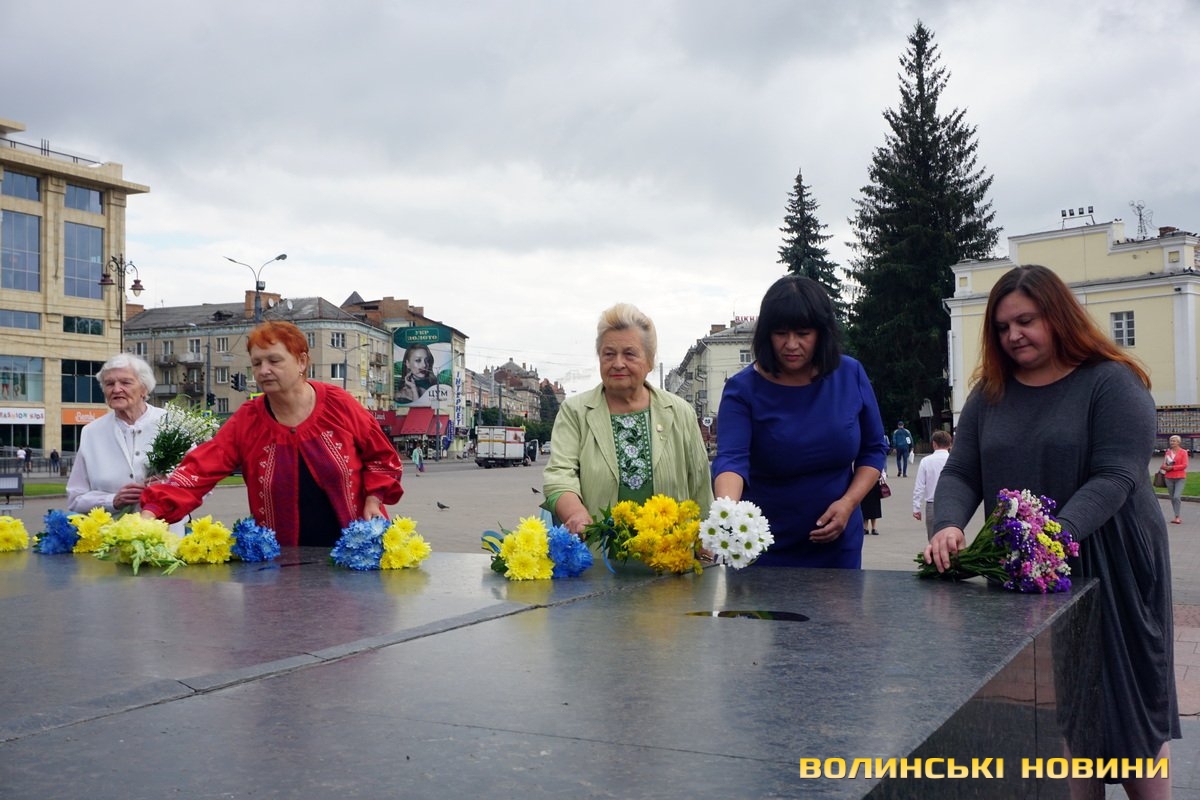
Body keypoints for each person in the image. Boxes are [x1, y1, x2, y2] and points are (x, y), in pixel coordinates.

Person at [923, 264, 1178, 798]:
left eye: (1026, 321)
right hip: (1029, 568)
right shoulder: (990, 393)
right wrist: (947, 525)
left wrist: (1053, 535)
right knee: (1054, 718)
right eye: (1002, 327)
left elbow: (1116, 475)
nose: (1013, 335)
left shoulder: (1111, 382)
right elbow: (962, 471)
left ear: (1058, 317)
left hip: (1111, 564)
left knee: (1129, 709)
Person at [141, 321, 405, 547]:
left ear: (302, 361)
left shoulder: (339, 404)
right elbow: (200, 469)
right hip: (281, 561)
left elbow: (381, 459)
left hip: (357, 553)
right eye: (256, 363)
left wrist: (374, 499)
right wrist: (153, 511)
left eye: (274, 360)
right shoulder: (247, 420)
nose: (263, 370)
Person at [712, 275, 888, 568]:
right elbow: (731, 459)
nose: (791, 344)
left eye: (803, 333)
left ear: (822, 333)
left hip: (837, 544)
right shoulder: (742, 390)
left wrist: (849, 503)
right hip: (759, 548)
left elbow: (873, 449)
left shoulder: (850, 374)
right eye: (780, 333)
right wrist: (727, 514)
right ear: (766, 335)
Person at [542, 303, 714, 534]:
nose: (618, 363)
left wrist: (706, 540)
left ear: (650, 361)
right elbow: (559, 475)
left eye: (629, 354)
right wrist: (575, 514)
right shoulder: (575, 411)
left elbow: (700, 486)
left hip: (671, 551)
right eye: (609, 354)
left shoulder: (680, 412)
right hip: (598, 552)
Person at [66, 354, 170, 515]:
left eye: (125, 382)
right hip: (112, 529)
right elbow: (75, 499)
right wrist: (112, 501)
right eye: (109, 384)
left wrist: (168, 486)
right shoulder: (91, 432)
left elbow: (199, 483)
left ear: (144, 389)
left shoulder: (171, 423)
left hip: (166, 527)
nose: (116, 389)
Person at [912, 429, 952, 540]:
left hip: (932, 504)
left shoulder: (926, 461)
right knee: (950, 539)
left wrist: (916, 507)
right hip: (951, 504)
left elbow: (919, 486)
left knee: (933, 540)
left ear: (934, 444)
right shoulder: (953, 460)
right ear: (950, 444)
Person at [1160, 434, 1189, 524]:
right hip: (1168, 477)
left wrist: (1172, 467)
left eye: (1174, 441)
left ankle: (1177, 516)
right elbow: (1163, 464)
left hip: (1180, 477)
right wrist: (1164, 467)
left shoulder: (1183, 452)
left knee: (1176, 497)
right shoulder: (1168, 452)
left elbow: (1185, 465)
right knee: (1172, 498)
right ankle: (1176, 516)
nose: (1172, 442)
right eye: (1171, 441)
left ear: (1178, 442)